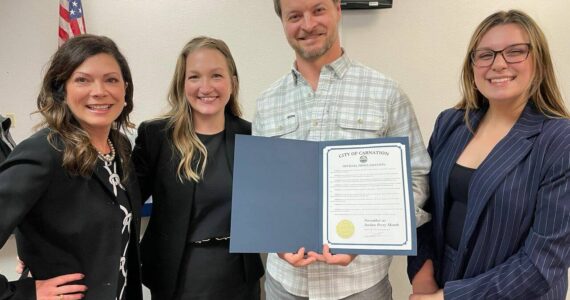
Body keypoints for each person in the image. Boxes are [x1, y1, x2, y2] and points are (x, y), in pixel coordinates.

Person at [253, 0, 431, 299]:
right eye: (294, 15)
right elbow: (259, 188)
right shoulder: (267, 102)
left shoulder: (386, 93)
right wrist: (275, 240)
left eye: (318, 9)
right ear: (282, 22)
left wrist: (367, 237)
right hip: (285, 287)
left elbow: (416, 180)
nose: (308, 24)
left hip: (360, 287)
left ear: (338, 8)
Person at [408, 10, 570, 300]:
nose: (498, 64)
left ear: (539, 61)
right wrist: (423, 277)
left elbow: (544, 262)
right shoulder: (451, 123)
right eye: (485, 55)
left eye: (515, 52)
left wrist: (449, 297)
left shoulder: (559, 139)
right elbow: (423, 208)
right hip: (439, 286)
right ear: (472, 66)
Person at [0, 34, 142, 299]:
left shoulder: (118, 147)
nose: (99, 91)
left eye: (111, 79)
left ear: (125, 89)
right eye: (82, 80)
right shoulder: (44, 151)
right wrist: (24, 293)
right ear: (61, 89)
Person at [132, 36, 264, 300]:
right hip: (176, 278)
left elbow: (276, 203)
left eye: (216, 75)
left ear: (232, 82)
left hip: (238, 279)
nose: (206, 87)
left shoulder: (253, 136)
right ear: (182, 84)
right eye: (194, 77)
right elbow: (124, 203)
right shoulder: (156, 136)